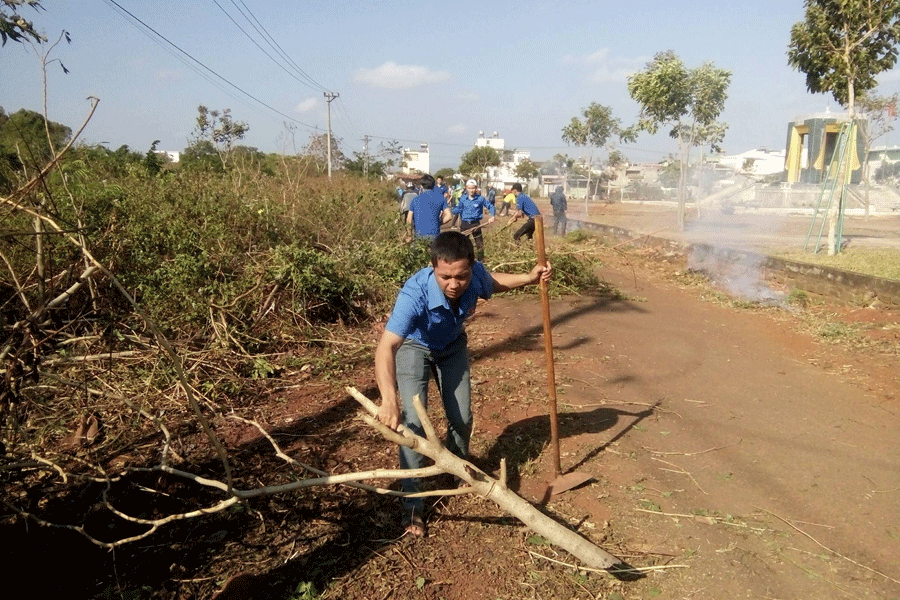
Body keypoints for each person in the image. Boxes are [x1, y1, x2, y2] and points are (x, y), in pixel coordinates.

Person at [375, 231, 552, 537]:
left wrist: (528, 277)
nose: (454, 284)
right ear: (433, 268)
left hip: (452, 346)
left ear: (471, 267)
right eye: (445, 277)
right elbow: (385, 347)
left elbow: (492, 282)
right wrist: (388, 400)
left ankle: (458, 468)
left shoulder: (476, 276)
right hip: (413, 349)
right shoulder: (414, 293)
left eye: (461, 276)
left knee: (462, 416)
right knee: (414, 425)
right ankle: (413, 504)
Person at [452, 179, 496, 261]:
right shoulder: (463, 199)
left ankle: (481, 262)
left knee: (480, 245)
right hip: (465, 225)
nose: (471, 190)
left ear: (476, 188)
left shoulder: (480, 199)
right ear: (466, 188)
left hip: (476, 224)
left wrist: (492, 216)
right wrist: (452, 210)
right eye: (469, 188)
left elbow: (491, 206)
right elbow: (458, 208)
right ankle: (465, 261)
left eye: (473, 188)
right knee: (463, 245)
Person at [407, 174, 451, 239]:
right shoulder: (440, 198)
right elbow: (449, 216)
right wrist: (439, 223)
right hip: (434, 235)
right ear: (434, 185)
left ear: (421, 186)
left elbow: (409, 219)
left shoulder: (415, 200)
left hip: (419, 236)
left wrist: (409, 235)